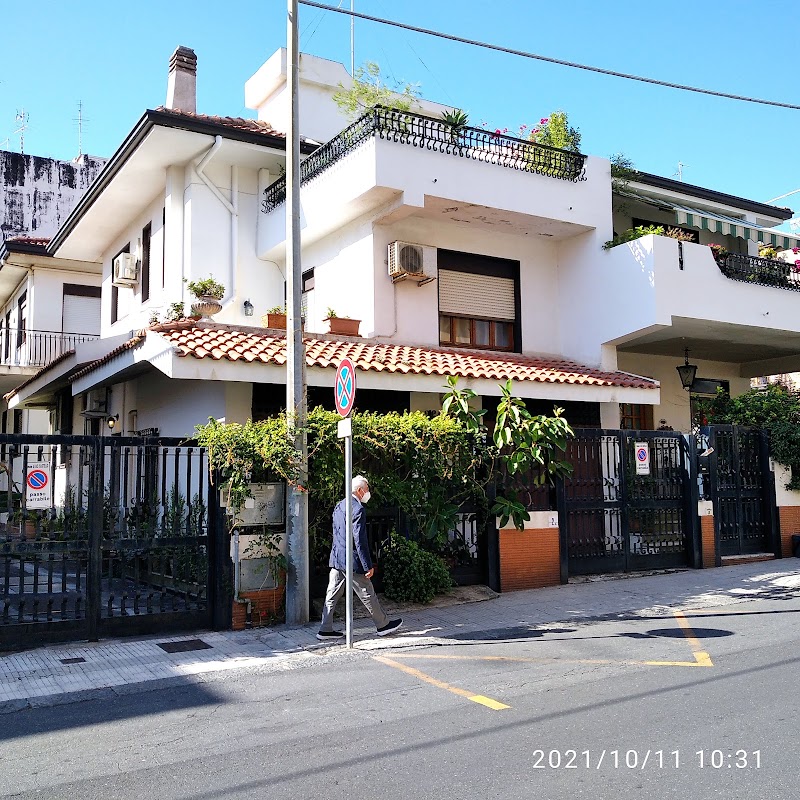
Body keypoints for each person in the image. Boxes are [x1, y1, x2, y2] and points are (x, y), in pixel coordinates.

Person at [317, 475, 402, 641]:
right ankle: (383, 625)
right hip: (352, 560)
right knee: (367, 592)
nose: (368, 493)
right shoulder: (358, 509)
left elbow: (337, 532)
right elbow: (360, 540)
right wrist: (367, 565)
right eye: (367, 490)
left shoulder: (340, 505)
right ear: (360, 490)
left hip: (337, 558)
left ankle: (324, 629)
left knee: (331, 594)